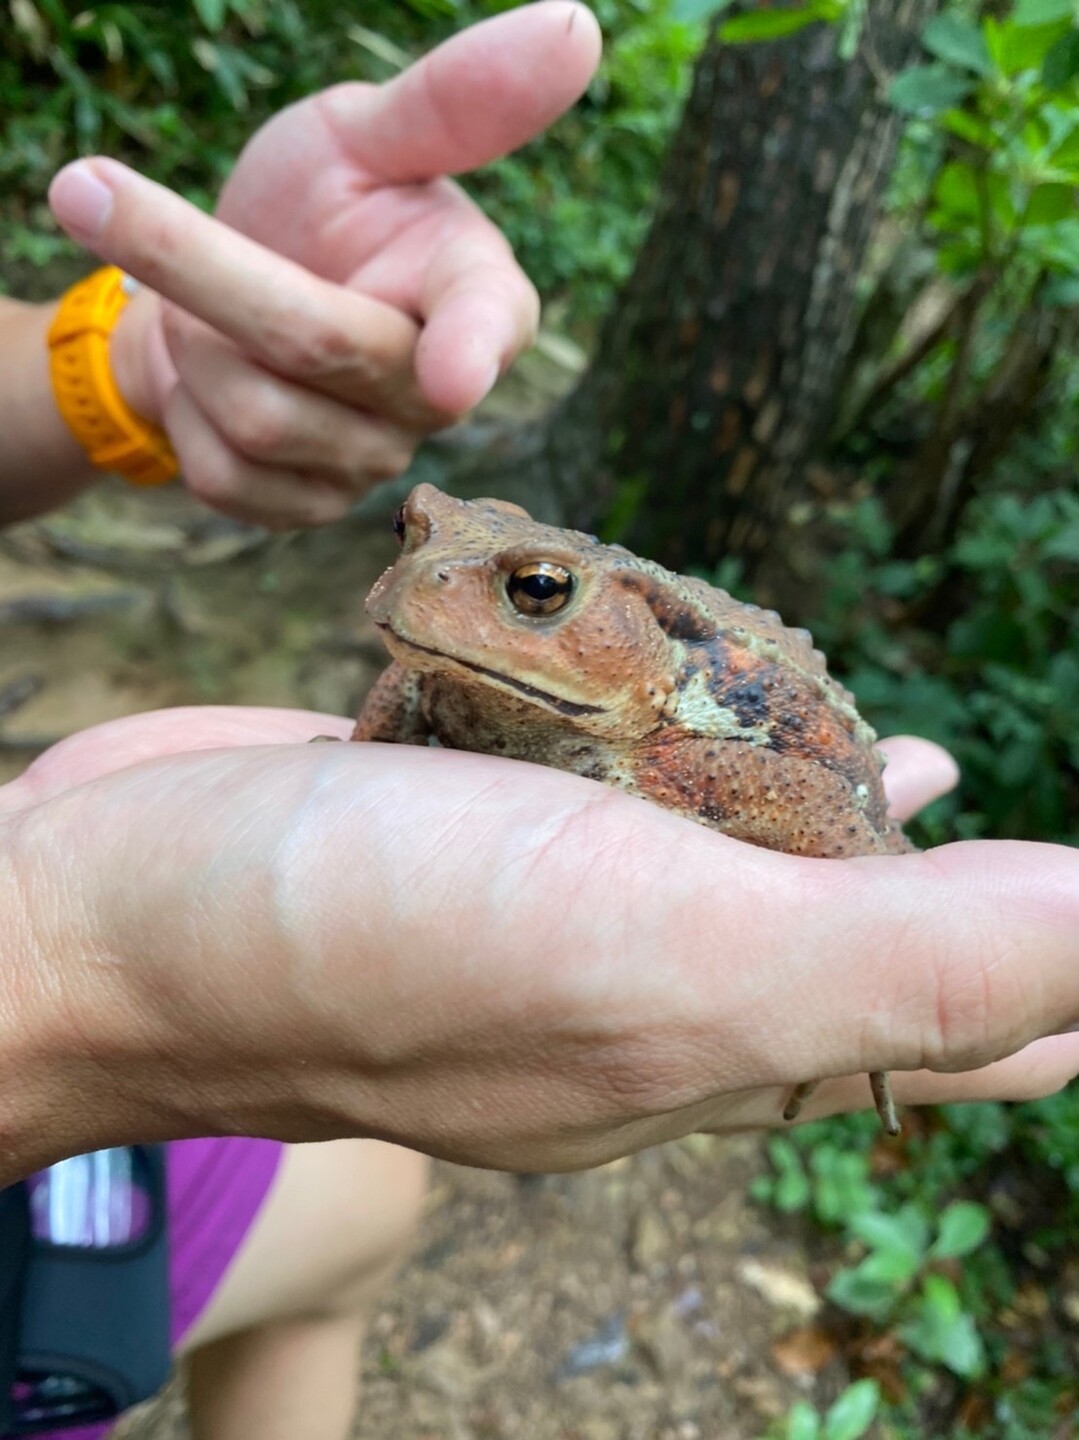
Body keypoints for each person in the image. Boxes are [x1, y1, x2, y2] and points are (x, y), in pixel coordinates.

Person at [0, 4, 1076, 1438]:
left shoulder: (685, 728)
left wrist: (127, 371)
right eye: (416, 541)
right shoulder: (441, 658)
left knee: (365, 1202)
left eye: (532, 592)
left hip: (757, 720)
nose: (431, 593)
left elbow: (836, 799)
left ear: (595, 610)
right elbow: (414, 674)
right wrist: (79, 982)